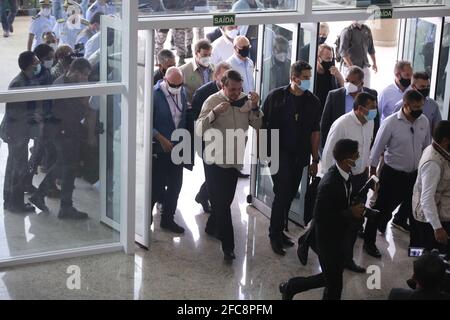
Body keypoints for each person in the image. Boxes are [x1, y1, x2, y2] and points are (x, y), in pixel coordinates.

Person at [279, 139, 365, 300]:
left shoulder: (346, 174)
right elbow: (321, 217)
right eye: (356, 155)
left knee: (329, 278)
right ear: (348, 160)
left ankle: (290, 287)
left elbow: (343, 199)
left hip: (339, 236)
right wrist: (349, 212)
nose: (359, 157)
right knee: (334, 285)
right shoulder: (330, 184)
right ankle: (290, 286)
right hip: (327, 241)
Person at [196, 70, 262, 262]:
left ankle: (210, 226)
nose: (236, 93)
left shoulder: (245, 100)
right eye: (232, 89)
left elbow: (258, 125)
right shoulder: (211, 101)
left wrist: (256, 107)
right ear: (223, 85)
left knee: (225, 201)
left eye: (239, 89)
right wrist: (215, 113)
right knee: (224, 206)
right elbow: (199, 128)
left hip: (234, 160)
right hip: (214, 160)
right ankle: (228, 248)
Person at [262, 60, 321, 256]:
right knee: (282, 193)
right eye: (304, 78)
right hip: (277, 153)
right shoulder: (276, 97)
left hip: (299, 155)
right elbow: (263, 125)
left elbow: (314, 131)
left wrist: (315, 160)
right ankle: (274, 235)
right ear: (293, 78)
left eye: (309, 78)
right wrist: (263, 152)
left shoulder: (313, 102)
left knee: (289, 193)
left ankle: (280, 230)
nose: (308, 81)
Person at [364, 90, 431, 258]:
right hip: (392, 174)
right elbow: (376, 150)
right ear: (405, 106)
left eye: (421, 106)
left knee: (416, 215)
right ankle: (369, 243)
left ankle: (416, 252)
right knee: (380, 209)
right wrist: (373, 177)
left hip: (414, 176)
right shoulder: (391, 123)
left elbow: (426, 146)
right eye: (415, 107)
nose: (419, 110)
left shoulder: (423, 121)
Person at [29, 58, 94, 219]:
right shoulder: (62, 86)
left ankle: (57, 202)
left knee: (65, 166)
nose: (85, 78)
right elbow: (71, 110)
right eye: (84, 75)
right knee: (67, 166)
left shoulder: (67, 82)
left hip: (65, 131)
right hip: (62, 132)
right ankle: (63, 206)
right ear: (76, 72)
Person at [320, 92, 377, 272]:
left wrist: (367, 169)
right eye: (372, 108)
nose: (375, 111)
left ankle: (347, 258)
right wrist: (332, 180)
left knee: (355, 220)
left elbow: (367, 147)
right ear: (360, 109)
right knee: (335, 218)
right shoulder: (342, 124)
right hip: (341, 179)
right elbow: (329, 153)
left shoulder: (370, 123)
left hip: (359, 177)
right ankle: (314, 246)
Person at [0, 51, 42, 213]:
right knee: (18, 167)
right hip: (16, 132)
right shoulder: (19, 84)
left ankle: (10, 200)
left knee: (14, 166)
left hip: (19, 131)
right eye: (36, 62)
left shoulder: (27, 80)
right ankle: (15, 203)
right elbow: (15, 112)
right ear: (30, 65)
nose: (38, 64)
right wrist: (34, 116)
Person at [190, 62, 232, 215]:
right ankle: (214, 210)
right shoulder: (203, 93)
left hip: (226, 140)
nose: (226, 82)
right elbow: (196, 119)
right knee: (213, 176)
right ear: (216, 76)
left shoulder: (232, 91)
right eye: (223, 78)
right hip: (207, 141)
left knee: (219, 176)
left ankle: (203, 195)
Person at [151, 67, 188, 234]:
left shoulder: (182, 92)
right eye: (173, 84)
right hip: (160, 147)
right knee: (157, 186)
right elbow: (144, 121)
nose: (177, 87)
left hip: (178, 146)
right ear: (165, 80)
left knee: (175, 186)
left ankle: (168, 219)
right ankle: (146, 220)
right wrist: (160, 137)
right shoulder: (154, 95)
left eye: (180, 84)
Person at [412, 121, 450, 257]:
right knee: (426, 254)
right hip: (429, 219)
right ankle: (419, 273)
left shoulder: (440, 150)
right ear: (445, 141)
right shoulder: (433, 163)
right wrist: (437, 227)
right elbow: (427, 199)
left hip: (440, 212)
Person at [320, 65, 378, 150]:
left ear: (361, 83)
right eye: (347, 80)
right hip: (339, 145)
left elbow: (376, 121)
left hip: (362, 144)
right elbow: (325, 124)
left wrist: (371, 147)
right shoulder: (334, 96)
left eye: (353, 82)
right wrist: (326, 147)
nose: (348, 84)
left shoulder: (371, 94)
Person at [339, 21, 377, 88]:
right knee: (352, 90)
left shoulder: (367, 29)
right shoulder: (347, 31)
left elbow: (371, 48)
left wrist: (374, 63)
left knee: (366, 89)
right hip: (350, 67)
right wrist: (352, 68)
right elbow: (343, 52)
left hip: (364, 66)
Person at [179, 39, 214, 106]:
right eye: (204, 55)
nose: (207, 58)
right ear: (196, 53)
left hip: (211, 108)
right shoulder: (183, 71)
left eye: (209, 55)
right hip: (193, 109)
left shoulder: (214, 69)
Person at [230, 0, 264, 65]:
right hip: (245, 38)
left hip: (257, 38)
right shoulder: (239, 5)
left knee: (254, 62)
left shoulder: (259, 5)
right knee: (243, 60)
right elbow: (232, 21)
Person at [314, 43, 344, 114]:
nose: (330, 61)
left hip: (330, 108)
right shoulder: (313, 74)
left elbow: (342, 88)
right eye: (327, 58)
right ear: (319, 58)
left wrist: (339, 76)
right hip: (318, 109)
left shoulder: (332, 72)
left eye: (331, 58)